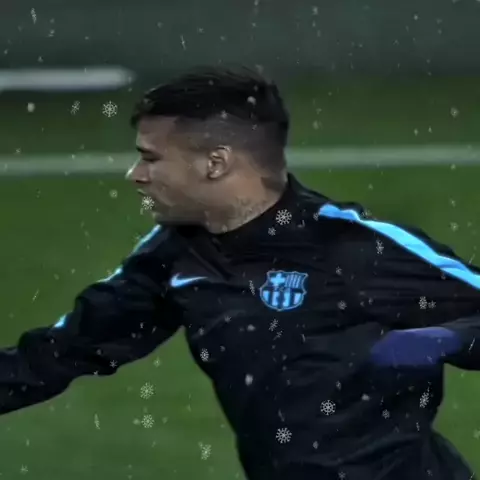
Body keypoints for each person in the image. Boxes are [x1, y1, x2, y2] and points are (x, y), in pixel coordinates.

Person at [2, 66, 480, 480]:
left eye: (150, 158)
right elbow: (61, 351)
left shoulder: (353, 247)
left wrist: (442, 339)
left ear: (216, 163)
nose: (136, 175)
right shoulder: (176, 254)